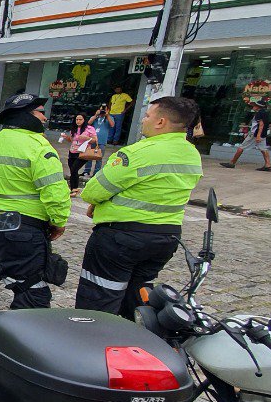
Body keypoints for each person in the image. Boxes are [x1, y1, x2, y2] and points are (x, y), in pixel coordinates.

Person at [75, 96, 203, 320]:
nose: (143, 121)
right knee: (138, 295)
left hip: (122, 237)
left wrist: (96, 202)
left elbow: (94, 191)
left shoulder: (138, 152)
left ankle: (93, 344)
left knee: (100, 297)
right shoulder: (191, 154)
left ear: (161, 122)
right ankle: (134, 340)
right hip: (165, 237)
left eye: (147, 116)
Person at [0, 94, 70, 337]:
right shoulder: (40, 148)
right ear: (26, 115)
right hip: (22, 231)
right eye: (40, 112)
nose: (45, 117)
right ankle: (13, 346)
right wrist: (58, 222)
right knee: (30, 290)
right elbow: (55, 192)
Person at [220, 99, 271, 172]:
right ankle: (268, 164)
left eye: (254, 105)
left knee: (241, 147)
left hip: (255, 135)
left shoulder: (259, 114)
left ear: (258, 106)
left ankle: (232, 162)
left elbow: (261, 125)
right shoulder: (265, 113)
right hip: (262, 134)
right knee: (263, 149)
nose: (253, 107)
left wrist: (257, 135)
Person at [59, 114, 97, 195]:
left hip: (83, 152)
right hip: (72, 151)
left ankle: (74, 188)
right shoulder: (75, 128)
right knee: (72, 170)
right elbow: (71, 140)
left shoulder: (89, 128)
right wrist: (66, 137)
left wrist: (86, 138)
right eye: (77, 119)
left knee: (74, 169)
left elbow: (95, 140)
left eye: (80, 119)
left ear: (84, 120)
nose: (78, 121)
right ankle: (73, 188)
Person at [86, 105, 113, 176]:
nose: (102, 111)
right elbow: (89, 122)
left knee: (99, 157)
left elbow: (112, 125)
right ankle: (87, 171)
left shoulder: (109, 118)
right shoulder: (96, 118)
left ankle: (96, 173)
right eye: (101, 110)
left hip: (102, 141)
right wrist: (96, 115)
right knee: (89, 156)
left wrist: (107, 115)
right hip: (92, 140)